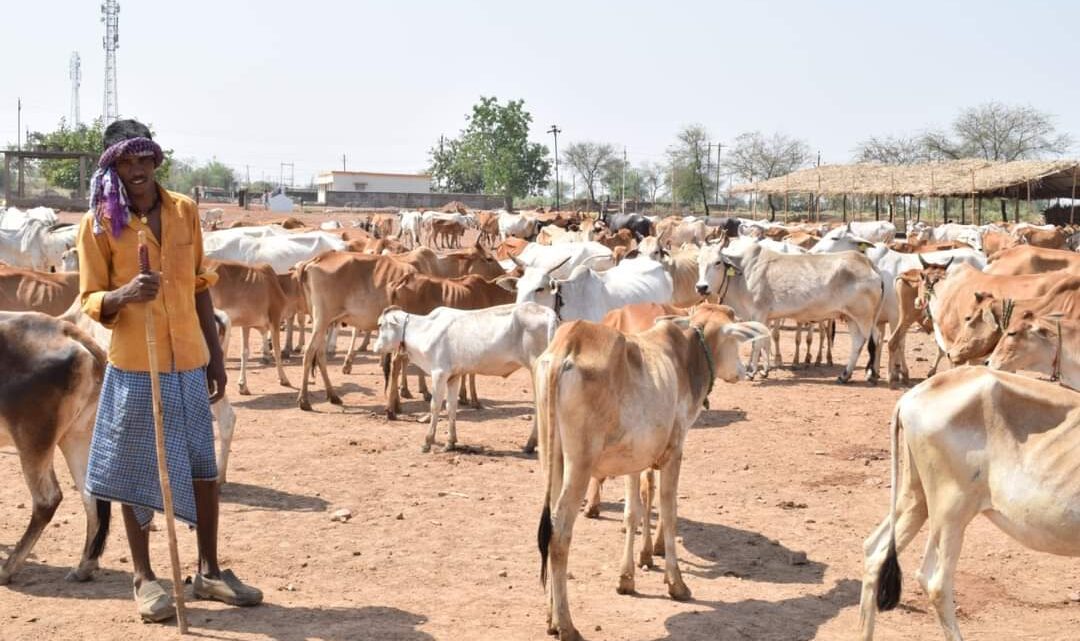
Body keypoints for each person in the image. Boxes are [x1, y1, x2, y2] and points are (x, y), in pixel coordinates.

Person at [77, 119, 262, 622]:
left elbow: (201, 284)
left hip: (189, 359)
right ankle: (144, 578)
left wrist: (216, 356)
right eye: (125, 162)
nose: (136, 170)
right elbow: (90, 296)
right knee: (139, 472)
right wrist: (123, 295)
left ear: (156, 161)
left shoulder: (184, 211)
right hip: (137, 364)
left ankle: (208, 571)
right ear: (112, 166)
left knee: (203, 468)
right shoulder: (98, 223)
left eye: (144, 160)